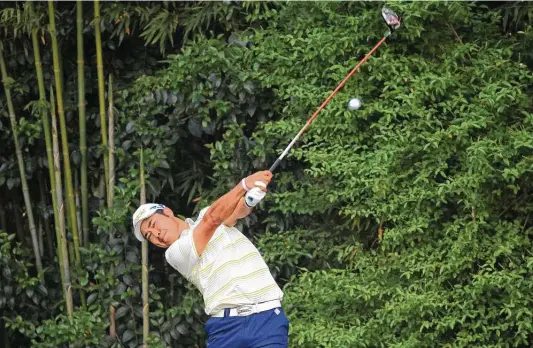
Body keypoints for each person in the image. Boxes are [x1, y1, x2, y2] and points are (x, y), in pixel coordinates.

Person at [132, 170, 289, 348]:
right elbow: (213, 220)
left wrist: (250, 198)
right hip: (227, 327)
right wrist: (244, 185)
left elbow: (236, 211)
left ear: (167, 212)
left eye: (153, 225)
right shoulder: (175, 254)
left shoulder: (208, 214)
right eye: (149, 236)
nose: (155, 235)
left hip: (267, 319)